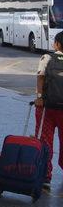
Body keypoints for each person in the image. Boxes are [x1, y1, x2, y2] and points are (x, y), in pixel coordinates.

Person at [35, 31, 63, 190]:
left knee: (46, 140)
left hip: (46, 107)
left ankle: (46, 174)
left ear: (57, 44)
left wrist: (39, 97)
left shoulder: (47, 57)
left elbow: (40, 77)